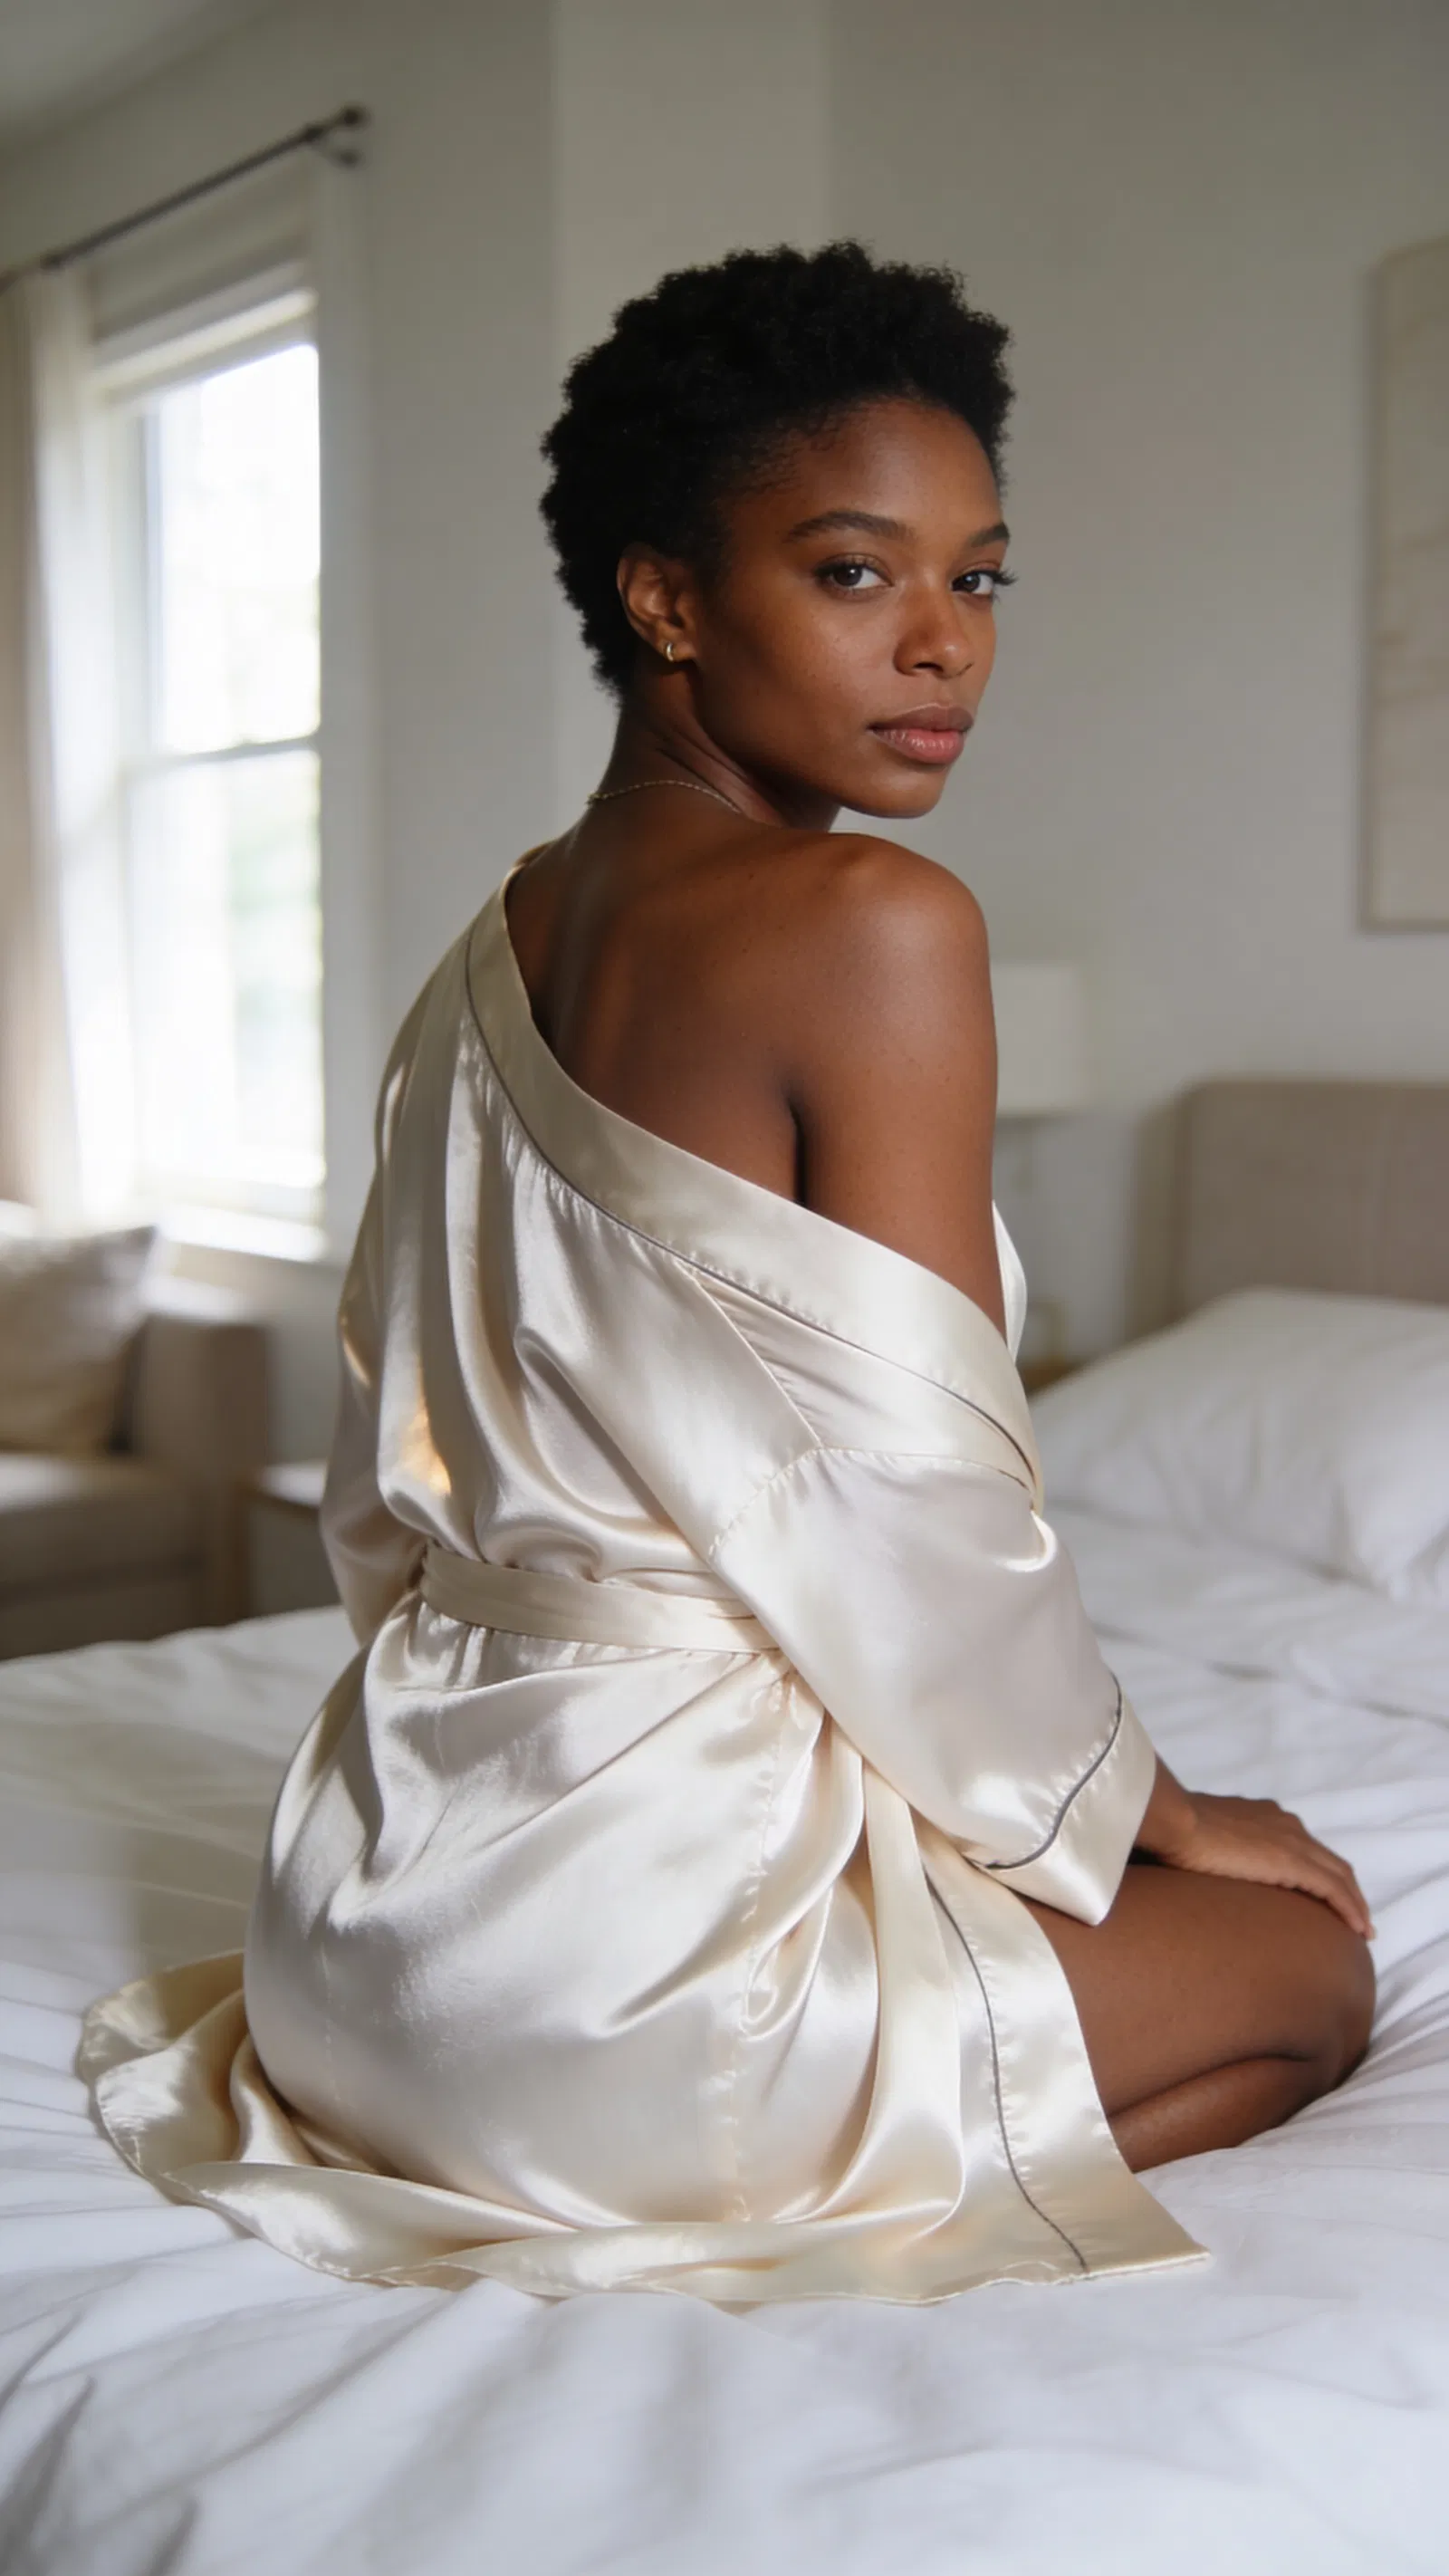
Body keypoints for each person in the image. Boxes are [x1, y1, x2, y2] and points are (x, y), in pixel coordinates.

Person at [82, 242, 1374, 2303]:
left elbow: (380, 1469)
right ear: (663, 595)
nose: (941, 645)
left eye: (979, 578)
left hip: (364, 1927)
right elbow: (927, 1525)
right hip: (610, 2006)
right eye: (855, 574)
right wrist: (1142, 1807)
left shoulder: (486, 943)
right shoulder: (874, 924)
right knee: (1306, 1974)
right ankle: (771, 2194)